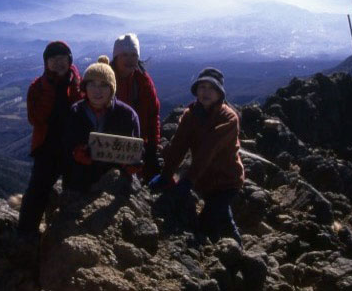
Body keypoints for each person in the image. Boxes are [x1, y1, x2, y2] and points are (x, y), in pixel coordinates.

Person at [149, 67, 245, 246]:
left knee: (209, 222)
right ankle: (235, 246)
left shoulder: (229, 118)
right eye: (202, 87)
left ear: (220, 93)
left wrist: (188, 180)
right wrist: (166, 174)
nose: (206, 92)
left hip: (226, 181)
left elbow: (208, 150)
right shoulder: (190, 114)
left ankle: (235, 252)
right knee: (220, 215)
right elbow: (179, 145)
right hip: (205, 181)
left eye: (211, 88)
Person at [18, 41, 82, 237]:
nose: (58, 63)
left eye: (62, 58)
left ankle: (71, 232)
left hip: (73, 146)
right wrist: (49, 90)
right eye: (53, 59)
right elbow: (34, 118)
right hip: (47, 146)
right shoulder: (37, 87)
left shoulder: (79, 84)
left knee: (76, 188)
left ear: (70, 60)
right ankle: (26, 232)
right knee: (38, 188)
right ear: (46, 63)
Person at [64, 55, 141, 192]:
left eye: (104, 85)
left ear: (112, 89)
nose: (97, 90)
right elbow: (66, 148)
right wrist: (76, 154)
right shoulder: (75, 113)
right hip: (80, 181)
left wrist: (132, 164)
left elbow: (135, 150)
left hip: (115, 183)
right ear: (85, 87)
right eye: (92, 84)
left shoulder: (128, 116)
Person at [111, 33, 161, 181]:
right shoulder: (104, 79)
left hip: (137, 143)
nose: (130, 59)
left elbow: (153, 115)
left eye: (133, 55)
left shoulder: (143, 81)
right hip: (109, 145)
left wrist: (153, 145)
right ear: (116, 57)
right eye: (124, 55)